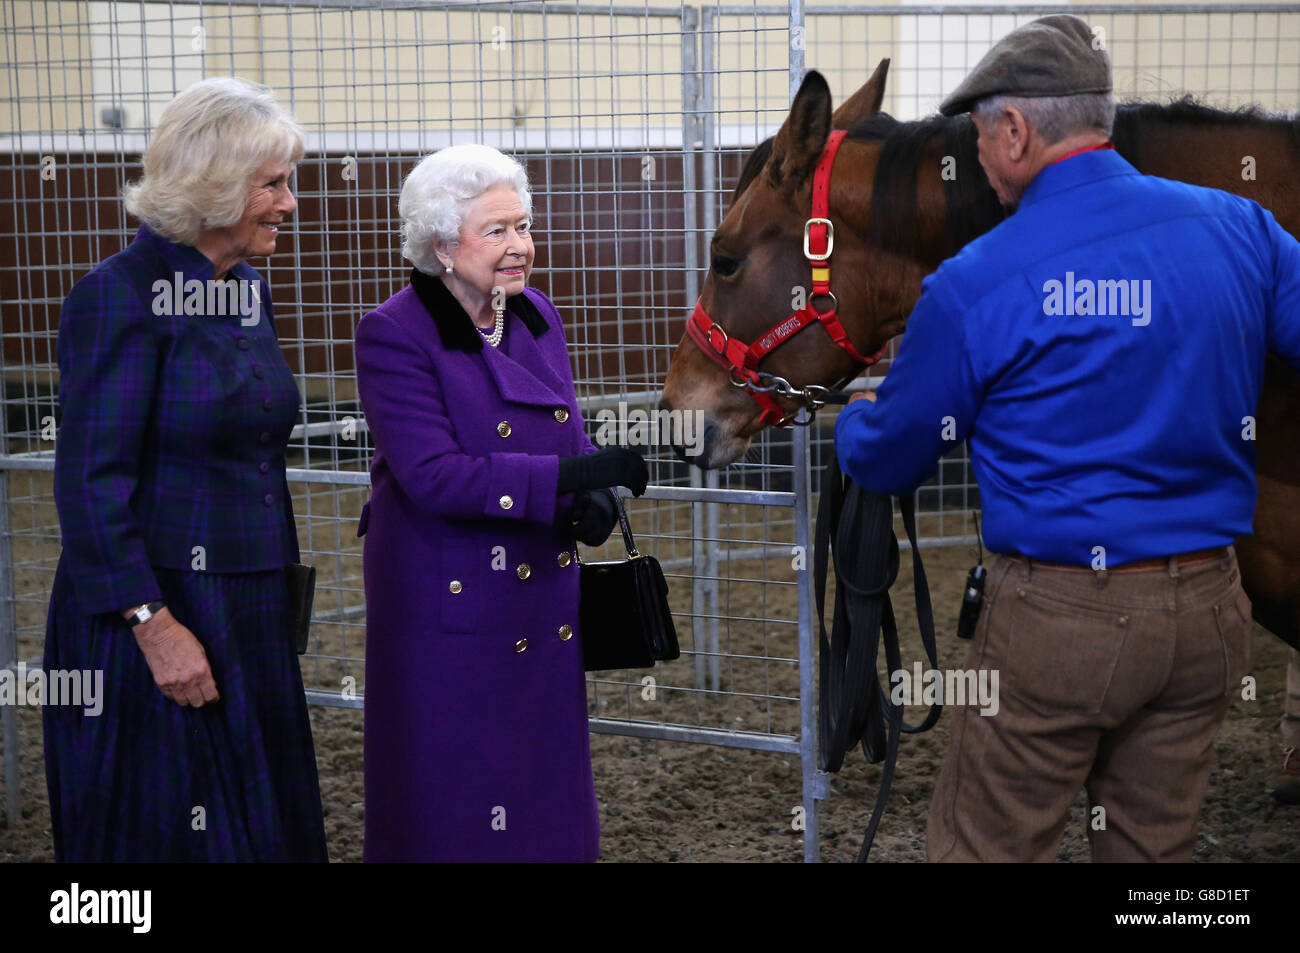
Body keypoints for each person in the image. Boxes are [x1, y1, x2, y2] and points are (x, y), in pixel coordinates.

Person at [835, 15, 1300, 861]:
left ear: (1015, 130)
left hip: (1061, 623)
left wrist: (856, 421)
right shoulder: (1243, 229)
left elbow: (892, 454)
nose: (975, 155)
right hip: (1210, 613)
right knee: (1156, 854)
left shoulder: (974, 283)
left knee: (986, 844)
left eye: (978, 135)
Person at [45, 77, 328, 862]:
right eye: (272, 183)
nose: (291, 202)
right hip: (158, 612)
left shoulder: (245, 293)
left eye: (288, 181)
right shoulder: (117, 297)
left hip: (247, 606)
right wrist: (154, 626)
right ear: (212, 186)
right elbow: (90, 482)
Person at [355, 143, 647, 862]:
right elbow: (433, 474)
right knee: (454, 783)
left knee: (542, 781)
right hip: (447, 598)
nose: (520, 246)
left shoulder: (536, 314)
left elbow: (568, 435)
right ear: (442, 247)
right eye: (497, 231)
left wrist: (595, 495)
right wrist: (561, 486)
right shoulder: (394, 331)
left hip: (540, 585)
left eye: (523, 225)